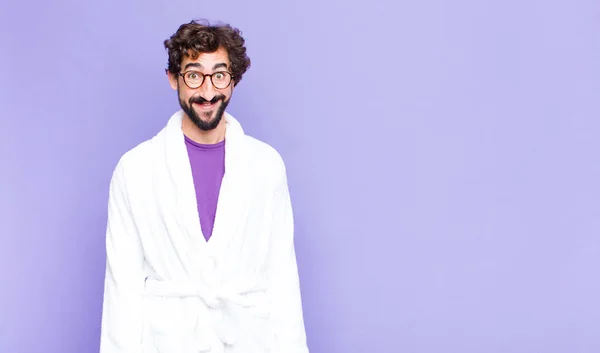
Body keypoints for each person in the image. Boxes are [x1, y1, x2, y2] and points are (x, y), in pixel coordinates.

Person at [98, 20, 310, 353]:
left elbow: (282, 280)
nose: (208, 92)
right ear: (173, 79)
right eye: (194, 75)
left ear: (233, 81)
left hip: (248, 341)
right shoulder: (135, 170)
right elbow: (121, 290)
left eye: (219, 75)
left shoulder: (266, 166)